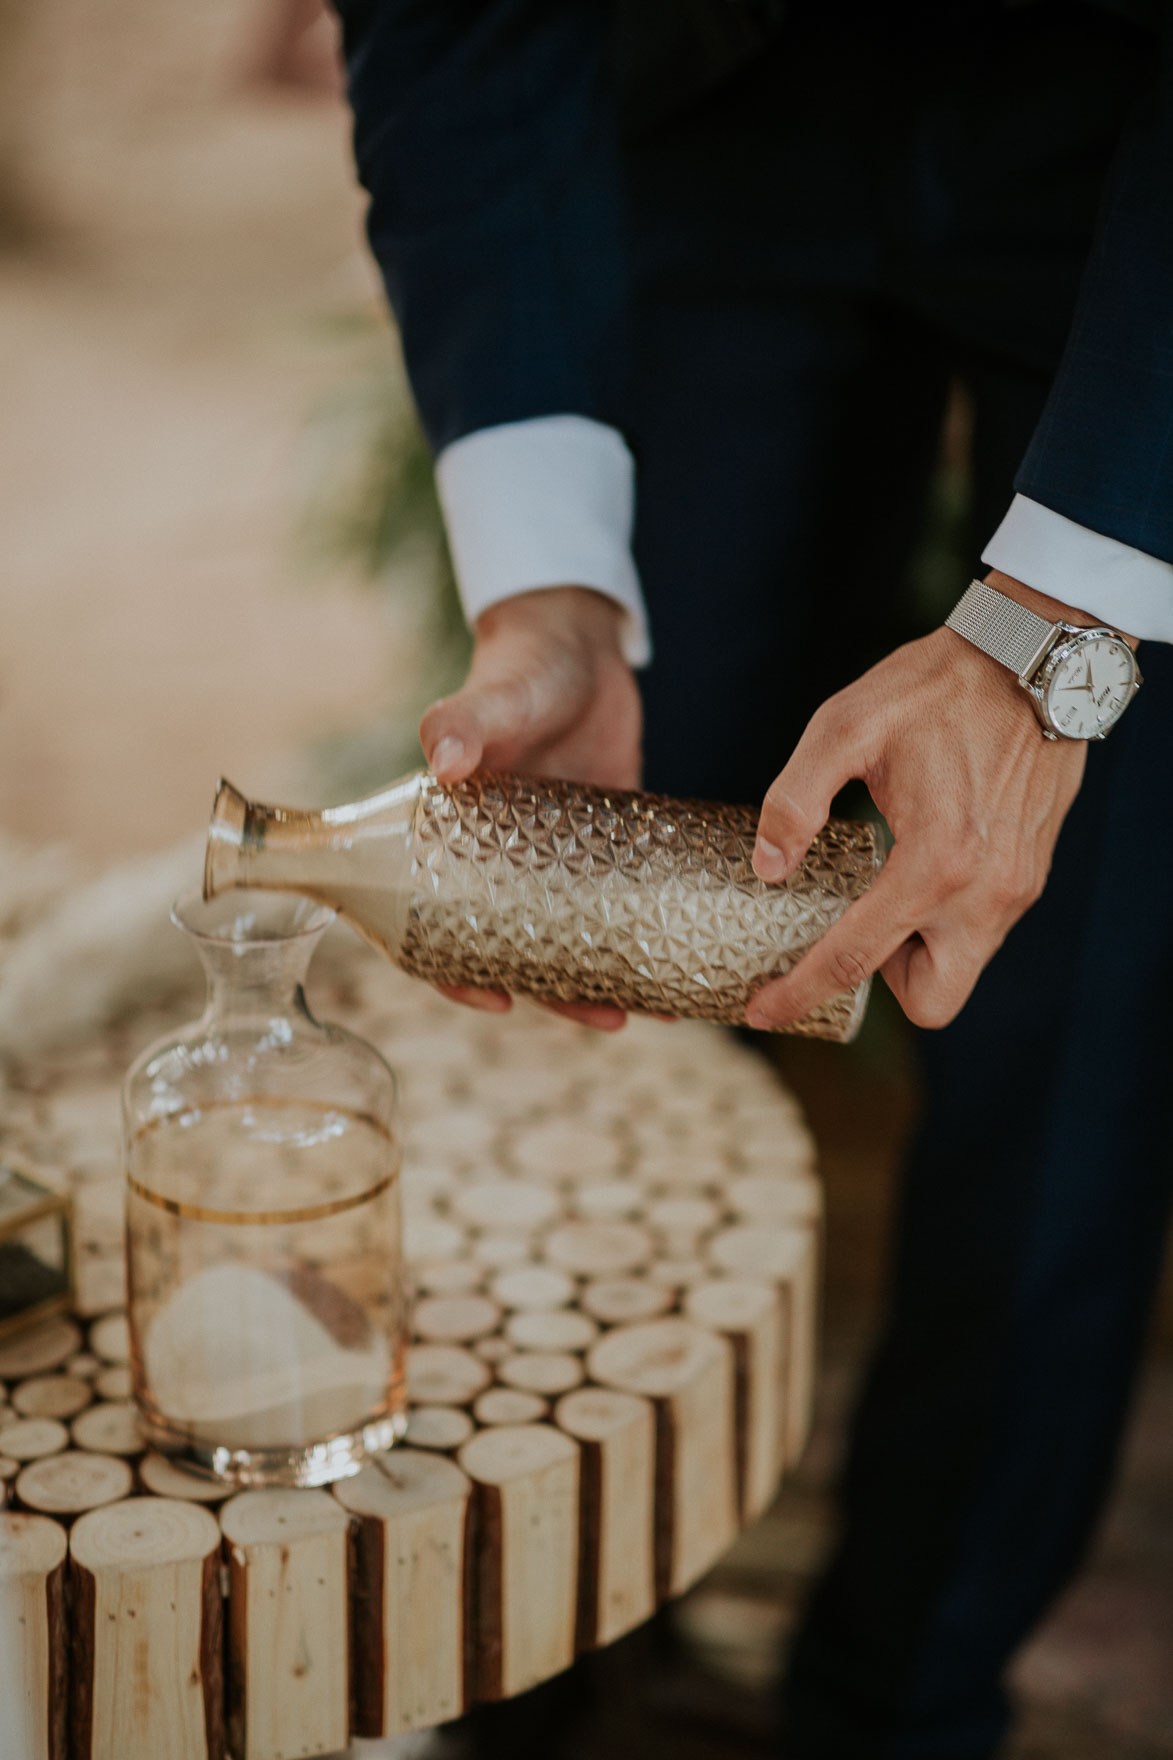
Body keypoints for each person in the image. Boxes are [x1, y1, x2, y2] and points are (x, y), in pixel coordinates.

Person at [333, 3, 1173, 1755]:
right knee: (588, 929)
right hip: (702, 84)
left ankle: (898, 1702)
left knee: (1068, 1035)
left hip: (1135, 176)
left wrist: (1064, 628)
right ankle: (533, 1645)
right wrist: (547, 588)